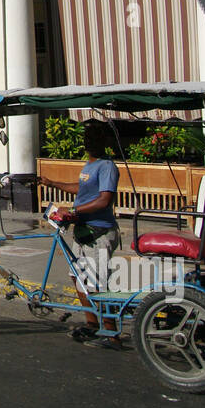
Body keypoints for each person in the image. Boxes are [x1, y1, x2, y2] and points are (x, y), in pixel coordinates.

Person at [48, 122, 122, 349]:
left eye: (93, 139)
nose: (88, 144)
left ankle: (111, 334)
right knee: (77, 278)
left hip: (98, 232)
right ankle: (91, 323)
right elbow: (80, 189)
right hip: (82, 231)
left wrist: (73, 212)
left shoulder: (107, 166)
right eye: (87, 139)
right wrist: (51, 183)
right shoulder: (89, 166)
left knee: (98, 284)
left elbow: (104, 200)